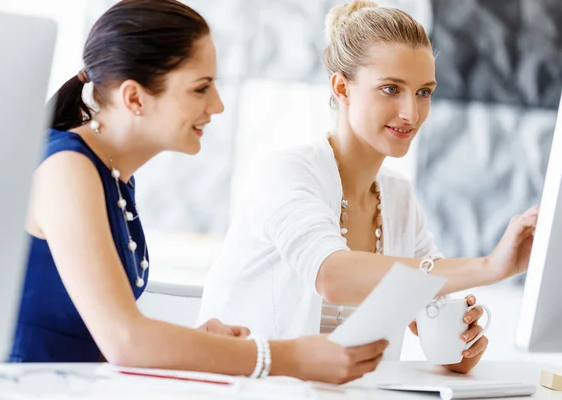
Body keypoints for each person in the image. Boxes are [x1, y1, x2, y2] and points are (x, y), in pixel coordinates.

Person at [9, 0, 389, 384]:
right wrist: (288, 356)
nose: (218, 105)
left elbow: (107, 335)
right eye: (201, 88)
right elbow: (125, 340)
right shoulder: (67, 169)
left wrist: (199, 342)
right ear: (134, 98)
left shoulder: (110, 174)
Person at [197, 0, 539, 375]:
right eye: (391, 89)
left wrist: (456, 349)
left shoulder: (399, 199)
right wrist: (490, 266)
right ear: (342, 88)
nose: (411, 113)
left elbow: (428, 307)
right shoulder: (286, 173)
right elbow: (333, 277)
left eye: (424, 92)